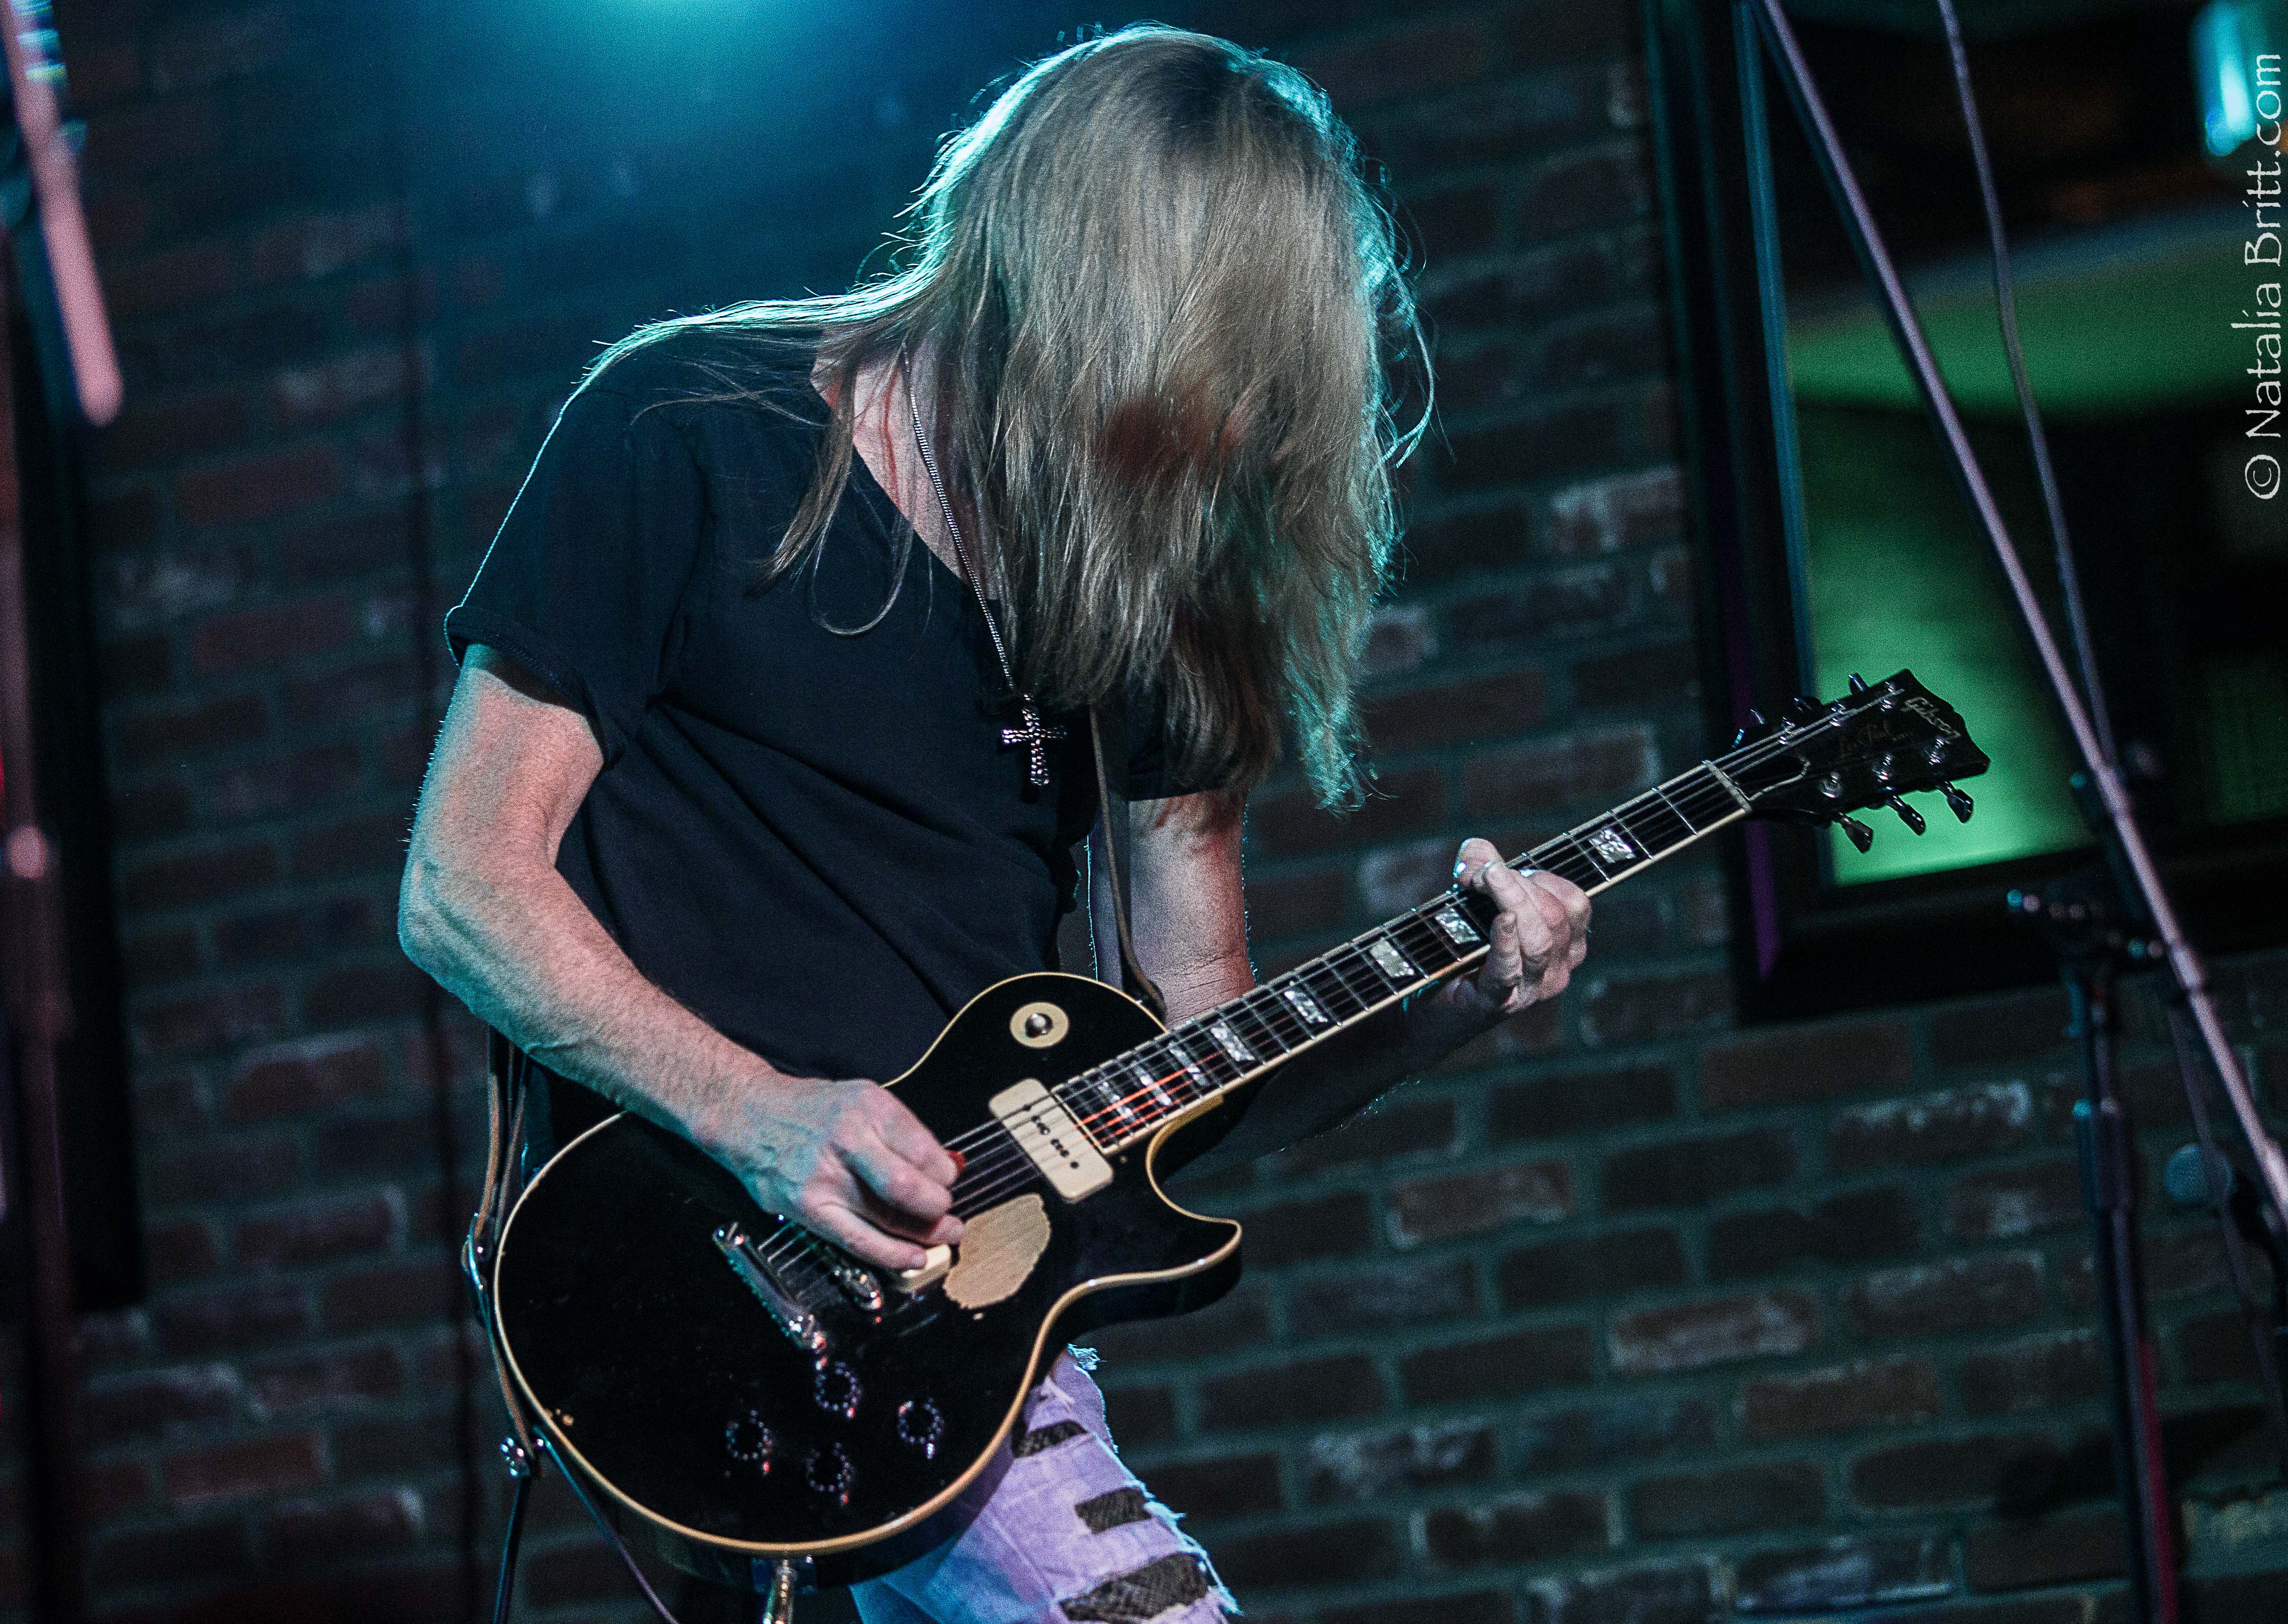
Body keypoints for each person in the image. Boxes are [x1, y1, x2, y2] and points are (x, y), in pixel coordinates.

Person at [399, 24, 1590, 1624]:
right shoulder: (688, 428)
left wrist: (1447, 1006)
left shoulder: (1149, 594)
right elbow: (461, 884)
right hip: (689, 1258)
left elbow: (1206, 1067)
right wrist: (760, 1115)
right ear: (1083, 287)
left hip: (971, 1322)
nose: (1229, 433)